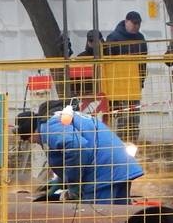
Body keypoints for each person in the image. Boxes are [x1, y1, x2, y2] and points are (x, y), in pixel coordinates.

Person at [30, 102, 143, 203]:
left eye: (29, 139)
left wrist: (73, 184)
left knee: (100, 220)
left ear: (32, 131)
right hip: (120, 168)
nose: (33, 142)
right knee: (121, 219)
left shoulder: (50, 125)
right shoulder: (71, 117)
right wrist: (62, 180)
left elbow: (76, 147)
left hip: (103, 175)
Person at [104, 11, 148, 142]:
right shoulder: (114, 38)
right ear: (126, 21)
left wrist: (141, 80)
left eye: (138, 24)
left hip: (135, 85)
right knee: (122, 118)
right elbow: (108, 63)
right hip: (119, 85)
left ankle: (132, 144)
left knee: (134, 117)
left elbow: (143, 62)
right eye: (134, 23)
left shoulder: (140, 38)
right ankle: (120, 145)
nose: (136, 26)